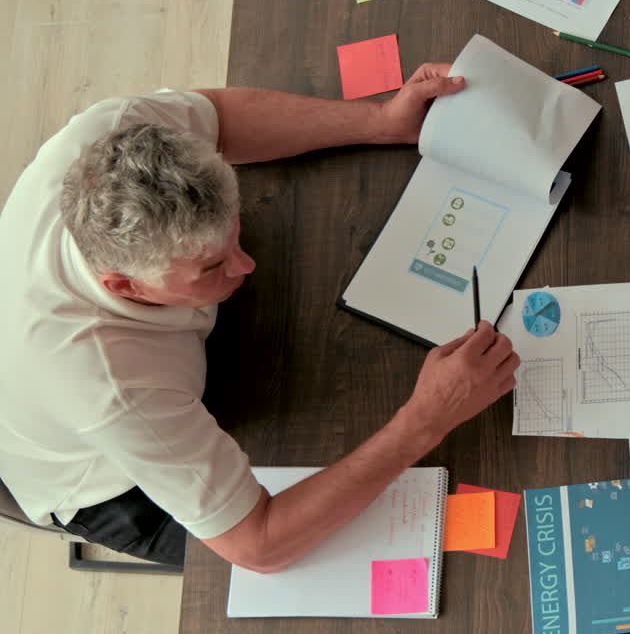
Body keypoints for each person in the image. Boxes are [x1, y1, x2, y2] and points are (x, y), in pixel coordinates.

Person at [0, 65, 519, 570]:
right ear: (122, 285)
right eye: (211, 266)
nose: (246, 265)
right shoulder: (110, 390)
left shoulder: (116, 133)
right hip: (109, 481)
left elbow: (219, 118)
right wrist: (428, 417)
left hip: (142, 370)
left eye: (235, 236)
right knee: (273, 577)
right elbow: (258, 544)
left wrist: (381, 120)